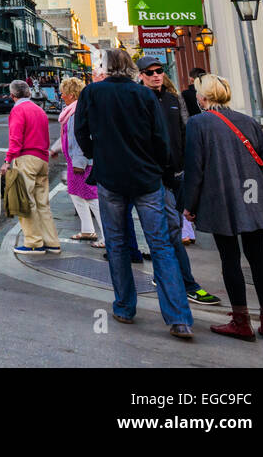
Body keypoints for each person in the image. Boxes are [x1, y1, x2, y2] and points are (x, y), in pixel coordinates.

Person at [75, 48, 194, 339]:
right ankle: (178, 318)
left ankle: (125, 306)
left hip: (111, 178)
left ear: (106, 67)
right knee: (162, 245)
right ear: (130, 68)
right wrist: (161, 168)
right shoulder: (144, 95)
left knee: (116, 244)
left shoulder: (91, 94)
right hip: (146, 179)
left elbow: (81, 132)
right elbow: (160, 137)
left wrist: (97, 154)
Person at [183, 74, 263, 342]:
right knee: (259, 258)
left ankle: (241, 322)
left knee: (230, 259)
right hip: (254, 198)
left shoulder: (198, 124)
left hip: (221, 200)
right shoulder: (249, 122)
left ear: (203, 97)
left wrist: (189, 205)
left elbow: (195, 170)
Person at [137, 53, 220, 306]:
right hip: (153, 178)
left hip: (176, 174)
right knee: (171, 232)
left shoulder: (173, 99)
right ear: (141, 76)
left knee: (169, 232)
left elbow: (184, 131)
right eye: (149, 72)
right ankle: (187, 284)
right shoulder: (138, 100)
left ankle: (165, 275)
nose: (156, 75)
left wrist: (184, 166)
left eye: (159, 70)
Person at [0, 81, 59, 255]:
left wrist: (7, 160)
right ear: (28, 93)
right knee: (42, 203)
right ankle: (52, 242)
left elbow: (15, 138)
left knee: (26, 202)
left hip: (26, 158)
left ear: (12, 96)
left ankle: (34, 242)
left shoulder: (18, 110)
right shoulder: (39, 110)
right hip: (42, 158)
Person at [53, 77, 103, 248]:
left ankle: (107, 236)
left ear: (72, 95)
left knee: (91, 196)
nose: (61, 96)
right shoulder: (72, 111)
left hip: (81, 163)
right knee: (76, 194)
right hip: (75, 161)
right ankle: (88, 229)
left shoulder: (76, 113)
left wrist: (79, 163)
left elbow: (79, 138)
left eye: (64, 93)